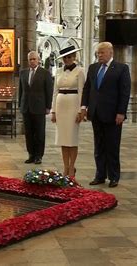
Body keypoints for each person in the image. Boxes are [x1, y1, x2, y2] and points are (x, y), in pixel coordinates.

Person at [81, 42, 131, 188]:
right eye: (98, 53)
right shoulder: (93, 68)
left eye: (102, 52)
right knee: (99, 146)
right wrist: (84, 107)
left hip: (113, 114)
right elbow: (87, 89)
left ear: (111, 52)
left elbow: (124, 92)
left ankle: (114, 176)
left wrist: (121, 112)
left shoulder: (121, 68)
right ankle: (100, 175)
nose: (99, 55)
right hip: (96, 113)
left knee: (112, 146)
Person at [51, 45, 85, 177]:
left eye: (69, 57)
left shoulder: (80, 71)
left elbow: (82, 91)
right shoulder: (58, 71)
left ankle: (72, 167)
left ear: (74, 57)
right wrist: (53, 111)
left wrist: (81, 110)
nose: (67, 59)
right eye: (65, 57)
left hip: (73, 104)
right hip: (60, 105)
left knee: (72, 138)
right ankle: (65, 166)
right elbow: (55, 92)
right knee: (63, 139)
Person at [18, 51, 53, 164]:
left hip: (39, 107)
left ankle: (39, 155)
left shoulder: (45, 73)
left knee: (39, 132)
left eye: (34, 59)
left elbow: (49, 91)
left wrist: (48, 106)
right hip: (26, 107)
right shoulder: (23, 73)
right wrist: (20, 104)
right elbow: (21, 90)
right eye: (30, 59)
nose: (32, 61)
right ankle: (31, 154)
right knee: (28, 132)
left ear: (38, 60)